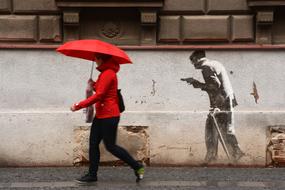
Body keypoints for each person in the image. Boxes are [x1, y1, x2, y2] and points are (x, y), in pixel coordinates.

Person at [71, 53, 144, 183]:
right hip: (101, 115)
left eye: (96, 58)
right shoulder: (104, 73)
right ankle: (92, 175)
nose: (95, 60)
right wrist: (93, 84)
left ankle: (137, 166)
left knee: (111, 146)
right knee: (93, 144)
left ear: (101, 59)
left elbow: (99, 95)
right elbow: (102, 90)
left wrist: (78, 105)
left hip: (109, 116)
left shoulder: (108, 73)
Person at [184, 50, 244, 163]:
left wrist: (197, 84)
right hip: (226, 100)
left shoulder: (206, 67)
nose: (193, 65)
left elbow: (215, 86)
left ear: (196, 59)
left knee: (212, 129)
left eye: (192, 61)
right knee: (221, 128)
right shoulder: (215, 63)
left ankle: (219, 156)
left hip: (221, 102)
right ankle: (231, 153)